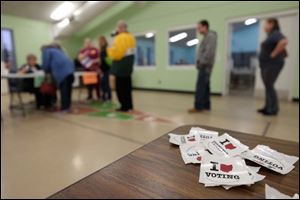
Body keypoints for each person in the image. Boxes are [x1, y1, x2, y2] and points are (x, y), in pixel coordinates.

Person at [257, 18, 288, 116]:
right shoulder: (270, 35)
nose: (264, 26)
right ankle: (267, 107)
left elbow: (284, 41)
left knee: (269, 86)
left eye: (266, 24)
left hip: (272, 64)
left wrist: (273, 54)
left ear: (272, 24)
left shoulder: (275, 33)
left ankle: (273, 109)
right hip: (267, 65)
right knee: (268, 86)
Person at [188, 20, 217, 113]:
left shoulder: (210, 37)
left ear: (205, 27)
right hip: (204, 66)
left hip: (205, 66)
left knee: (200, 87)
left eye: (199, 27)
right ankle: (206, 106)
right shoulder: (206, 37)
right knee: (206, 87)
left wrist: (201, 62)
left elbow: (209, 53)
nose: (198, 29)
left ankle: (198, 107)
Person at [107, 20, 136, 112]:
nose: (117, 29)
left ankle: (124, 106)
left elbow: (117, 54)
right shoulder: (131, 37)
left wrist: (109, 50)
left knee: (120, 89)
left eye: (118, 27)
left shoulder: (120, 38)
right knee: (128, 88)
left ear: (121, 28)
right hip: (128, 67)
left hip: (120, 68)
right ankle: (129, 106)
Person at [41, 43, 74, 112]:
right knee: (68, 90)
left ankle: (64, 108)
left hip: (62, 72)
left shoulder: (46, 51)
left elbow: (46, 64)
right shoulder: (59, 51)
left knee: (64, 90)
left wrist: (45, 70)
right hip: (70, 71)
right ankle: (68, 106)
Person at [98, 35, 112, 102]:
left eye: (101, 40)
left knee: (105, 83)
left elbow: (108, 60)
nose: (100, 42)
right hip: (102, 69)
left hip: (106, 68)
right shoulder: (101, 50)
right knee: (103, 84)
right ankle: (104, 96)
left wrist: (103, 60)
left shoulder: (106, 49)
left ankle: (108, 97)